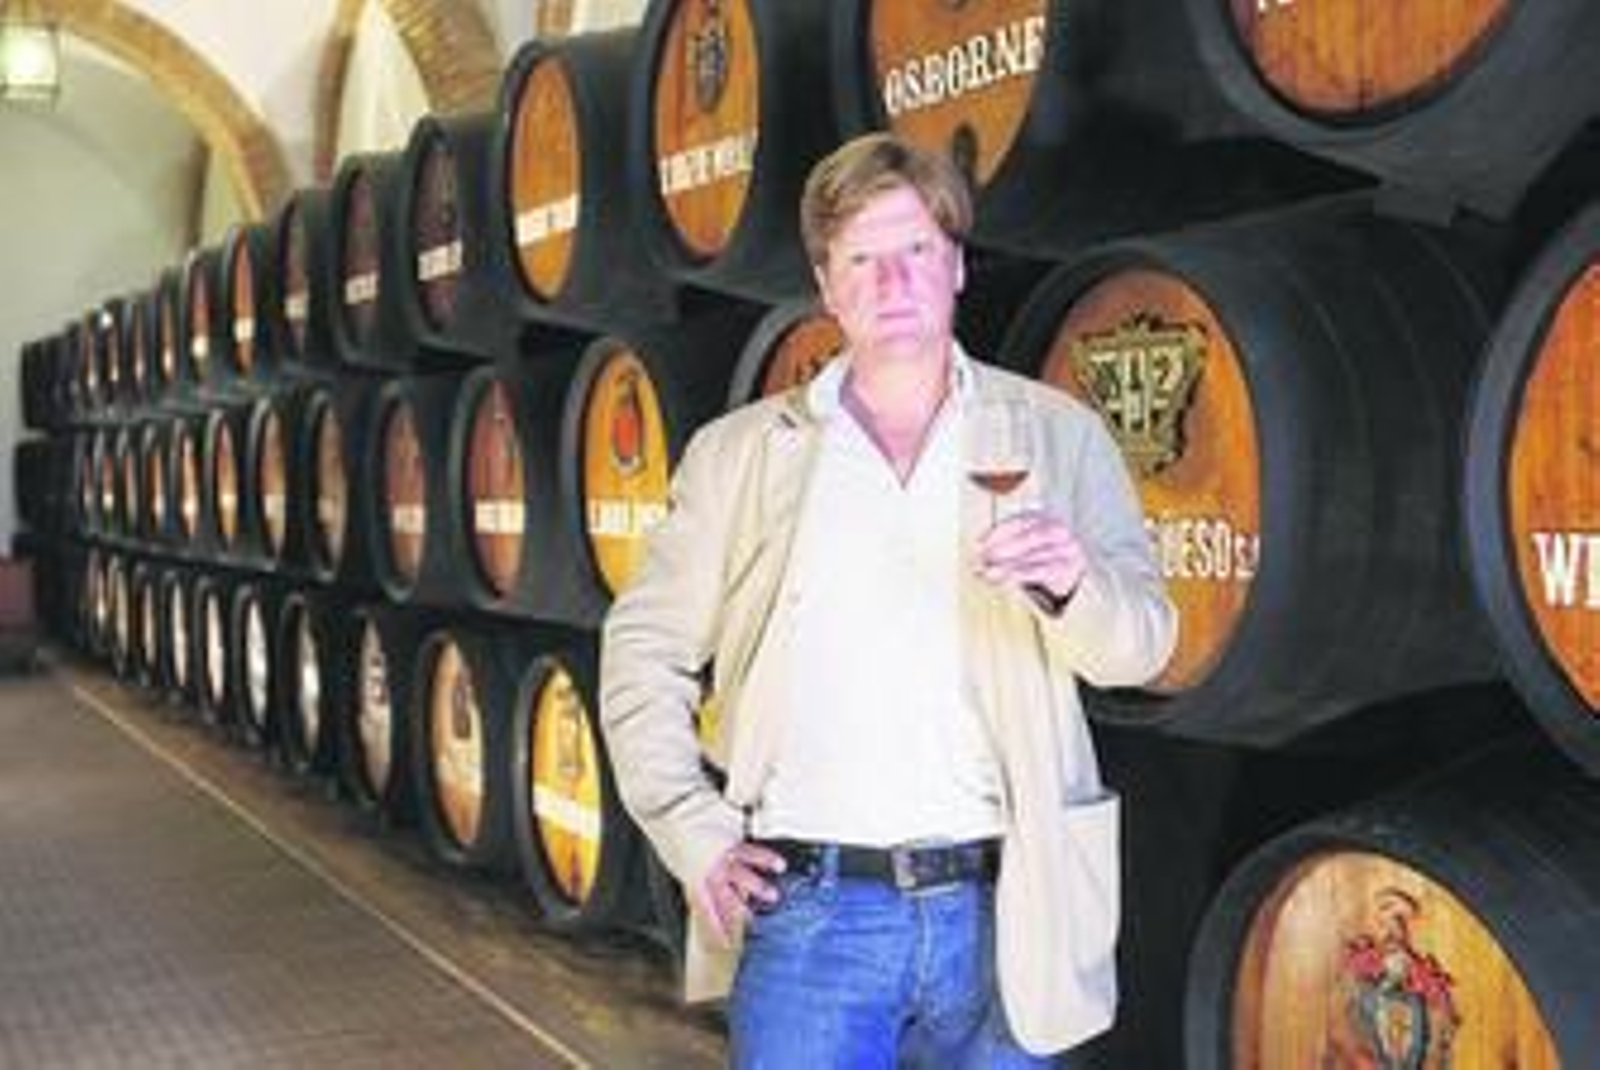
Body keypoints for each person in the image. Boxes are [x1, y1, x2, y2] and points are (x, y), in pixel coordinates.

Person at [600, 132, 1177, 1067]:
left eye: (914, 251)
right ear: (827, 286)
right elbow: (643, 645)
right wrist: (689, 827)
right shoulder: (744, 453)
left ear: (956, 264)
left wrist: (1074, 584)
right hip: (814, 917)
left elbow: (1146, 646)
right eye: (860, 259)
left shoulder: (1057, 437)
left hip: (1011, 909)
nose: (891, 282)